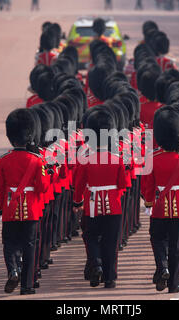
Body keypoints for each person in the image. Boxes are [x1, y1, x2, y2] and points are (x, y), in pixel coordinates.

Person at [0, 108, 49, 295]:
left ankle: (13, 270)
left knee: (9, 243)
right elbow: (43, 187)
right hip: (31, 209)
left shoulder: (4, 160)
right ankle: (26, 285)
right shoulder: (36, 160)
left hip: (10, 208)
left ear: (11, 136)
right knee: (29, 246)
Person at [73, 108, 127, 289]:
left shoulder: (85, 160)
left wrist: (77, 202)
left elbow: (79, 185)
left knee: (91, 237)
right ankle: (110, 279)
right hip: (113, 205)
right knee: (111, 242)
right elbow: (124, 184)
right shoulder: (116, 159)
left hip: (92, 204)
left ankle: (96, 265)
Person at [144, 106, 179, 293]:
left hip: (158, 208)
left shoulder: (153, 158)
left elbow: (149, 186)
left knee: (157, 240)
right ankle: (174, 284)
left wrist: (148, 203)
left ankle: (162, 266)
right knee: (176, 246)